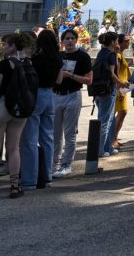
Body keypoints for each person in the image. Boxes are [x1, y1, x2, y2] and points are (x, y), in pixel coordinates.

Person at [0, 32, 35, 199]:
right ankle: (14, 185)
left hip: (3, 106)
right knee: (13, 148)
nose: (2, 47)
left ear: (12, 46)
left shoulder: (4, 64)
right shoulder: (28, 63)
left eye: (5, 45)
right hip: (21, 108)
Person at [19, 29, 61, 191]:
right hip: (51, 95)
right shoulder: (58, 58)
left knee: (29, 138)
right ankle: (47, 176)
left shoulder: (35, 58)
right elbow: (58, 79)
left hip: (36, 95)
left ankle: (30, 179)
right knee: (47, 138)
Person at [53, 28, 93, 177]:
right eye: (66, 38)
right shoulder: (58, 56)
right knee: (55, 133)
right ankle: (54, 163)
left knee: (70, 133)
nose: (69, 41)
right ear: (62, 41)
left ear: (76, 40)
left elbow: (89, 80)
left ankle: (66, 164)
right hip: (56, 95)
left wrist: (70, 75)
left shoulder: (83, 57)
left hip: (73, 95)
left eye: (72, 38)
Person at [92, 31, 124, 158]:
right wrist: (122, 83)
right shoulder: (111, 55)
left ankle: (108, 147)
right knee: (105, 120)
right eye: (116, 41)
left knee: (108, 119)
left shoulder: (101, 53)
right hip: (108, 90)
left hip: (98, 90)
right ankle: (100, 149)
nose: (118, 43)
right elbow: (112, 73)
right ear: (112, 42)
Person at [112, 34, 132, 149]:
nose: (128, 42)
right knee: (121, 112)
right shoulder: (118, 56)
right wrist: (118, 89)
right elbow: (116, 72)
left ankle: (114, 138)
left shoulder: (121, 55)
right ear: (119, 42)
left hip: (123, 88)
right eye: (126, 41)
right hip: (119, 88)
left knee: (122, 113)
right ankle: (112, 139)